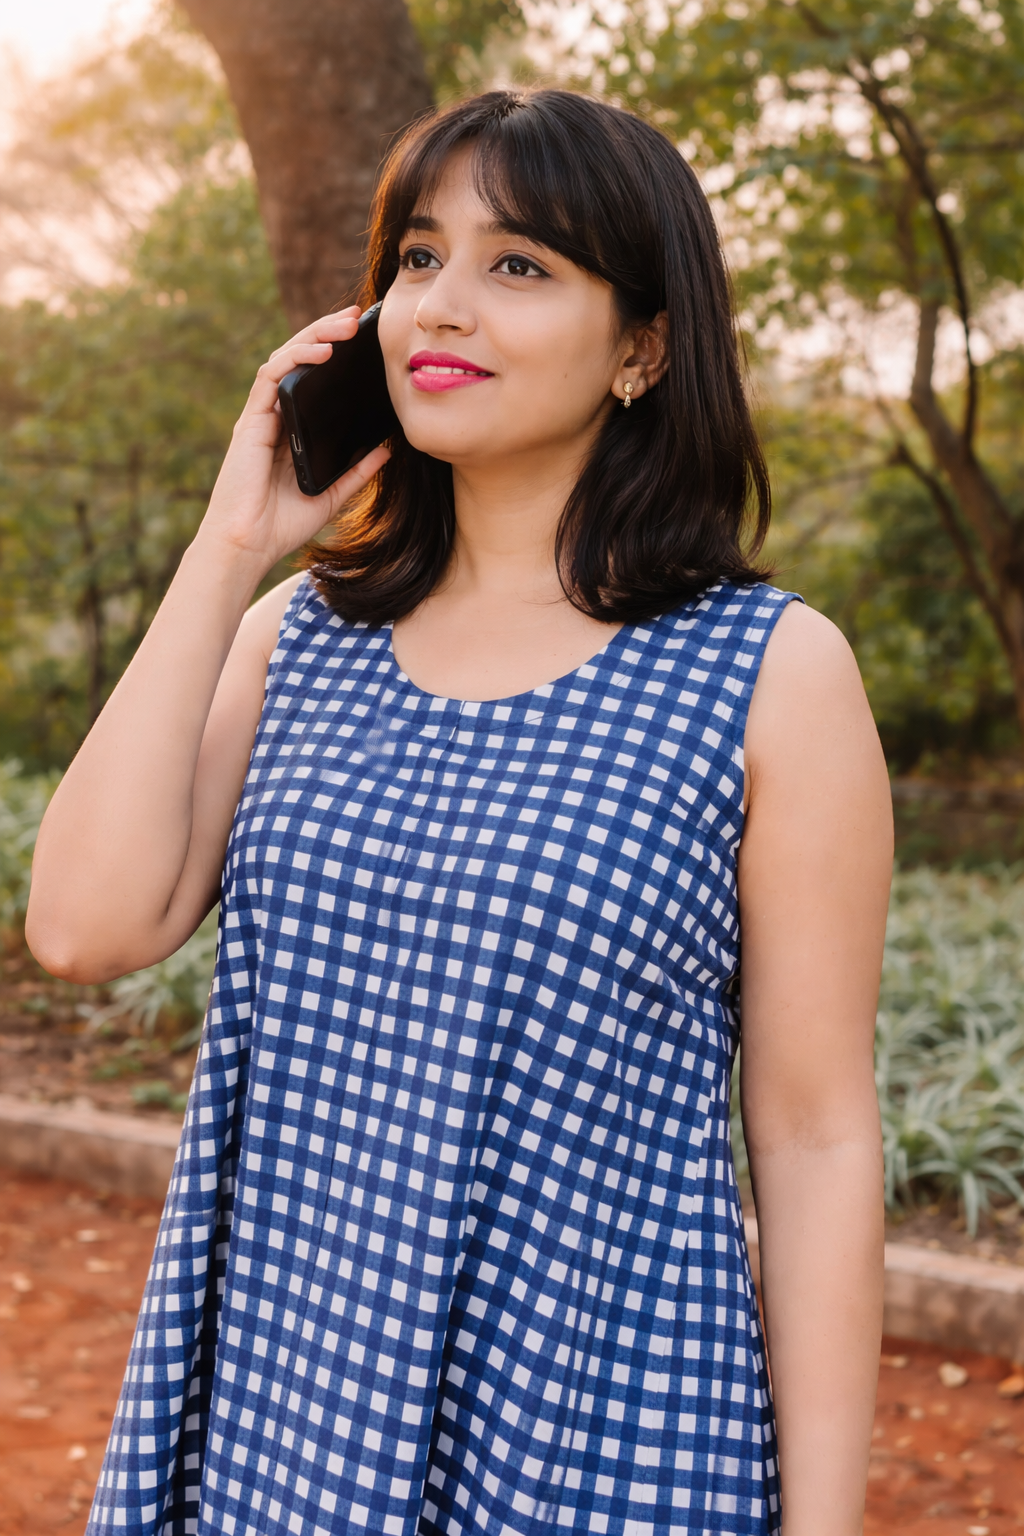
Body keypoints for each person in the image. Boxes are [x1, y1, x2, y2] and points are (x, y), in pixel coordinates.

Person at [27, 88, 892, 1536]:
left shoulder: (769, 674)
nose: (442, 304)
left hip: (604, 1437)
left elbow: (813, 1136)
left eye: (520, 266)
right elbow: (82, 926)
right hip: (283, 1424)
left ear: (645, 346)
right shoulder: (297, 639)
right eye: (419, 257)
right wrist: (233, 541)